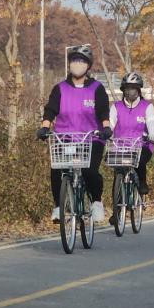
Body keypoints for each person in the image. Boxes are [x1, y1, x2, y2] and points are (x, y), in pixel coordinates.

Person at [38, 44, 112, 224]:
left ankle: (96, 202)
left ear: (88, 65)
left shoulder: (96, 88)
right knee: (57, 170)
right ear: (69, 64)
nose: (77, 64)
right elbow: (50, 110)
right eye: (74, 61)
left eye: (81, 61)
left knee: (89, 171)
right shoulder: (60, 88)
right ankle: (58, 207)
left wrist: (106, 128)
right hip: (65, 138)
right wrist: (45, 127)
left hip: (91, 138)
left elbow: (103, 111)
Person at [109, 71, 154, 196]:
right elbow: (111, 122)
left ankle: (142, 182)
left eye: (132, 88)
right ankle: (117, 204)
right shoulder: (116, 106)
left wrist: (152, 133)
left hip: (142, 144)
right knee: (118, 172)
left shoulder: (147, 106)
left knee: (140, 161)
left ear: (138, 90)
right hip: (121, 146)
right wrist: (107, 132)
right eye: (126, 88)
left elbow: (151, 121)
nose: (129, 91)